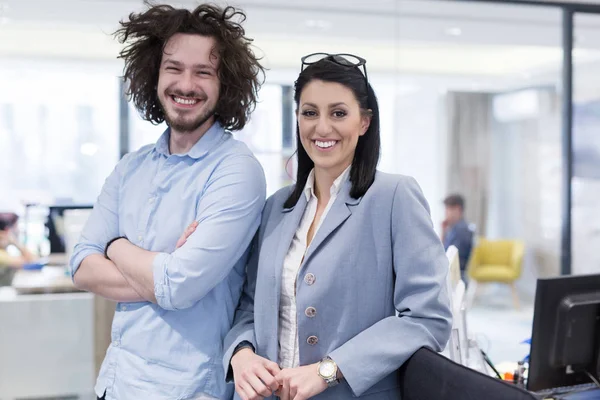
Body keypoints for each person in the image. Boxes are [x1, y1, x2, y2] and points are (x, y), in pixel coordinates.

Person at [222, 53, 452, 400]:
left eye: (339, 113)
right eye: (310, 112)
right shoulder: (277, 207)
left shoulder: (394, 197)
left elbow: (427, 318)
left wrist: (327, 370)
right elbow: (249, 305)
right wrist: (241, 355)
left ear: (364, 122)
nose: (322, 127)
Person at [69, 4, 266, 400]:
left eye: (203, 72)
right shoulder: (131, 167)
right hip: (115, 382)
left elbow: (178, 286)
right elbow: (81, 266)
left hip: (188, 389)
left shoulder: (237, 170)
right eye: (173, 68)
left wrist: (116, 246)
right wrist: (163, 270)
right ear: (154, 75)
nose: (186, 84)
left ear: (224, 84)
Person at [441, 194, 473, 283]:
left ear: (458, 209)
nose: (446, 213)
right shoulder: (454, 229)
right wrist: (443, 232)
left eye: (448, 209)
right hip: (452, 275)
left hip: (456, 278)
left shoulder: (461, 230)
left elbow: (450, 258)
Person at [0, 212, 37, 286]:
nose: (18, 231)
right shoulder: (1, 255)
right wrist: (15, 242)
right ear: (6, 231)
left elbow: (33, 259)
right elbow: (31, 261)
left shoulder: (3, 252)